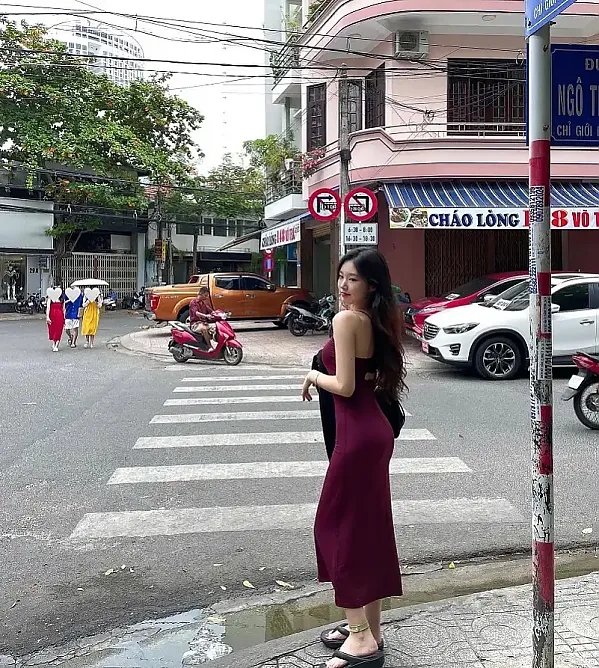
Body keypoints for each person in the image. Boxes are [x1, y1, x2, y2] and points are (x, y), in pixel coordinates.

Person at [302, 248, 407, 668]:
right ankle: (371, 631)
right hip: (375, 432)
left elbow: (344, 386)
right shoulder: (378, 320)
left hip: (356, 437)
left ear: (372, 285)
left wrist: (313, 375)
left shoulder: (346, 320)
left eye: (354, 279)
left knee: (333, 530)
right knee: (368, 531)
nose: (343, 285)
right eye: (341, 277)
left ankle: (360, 635)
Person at [46, 288, 65, 353]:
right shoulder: (50, 298)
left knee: (59, 330)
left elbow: (63, 309)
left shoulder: (62, 299)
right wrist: (47, 317)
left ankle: (56, 345)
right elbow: (48, 308)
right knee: (53, 330)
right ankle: (54, 343)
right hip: (52, 315)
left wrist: (64, 318)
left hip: (60, 316)